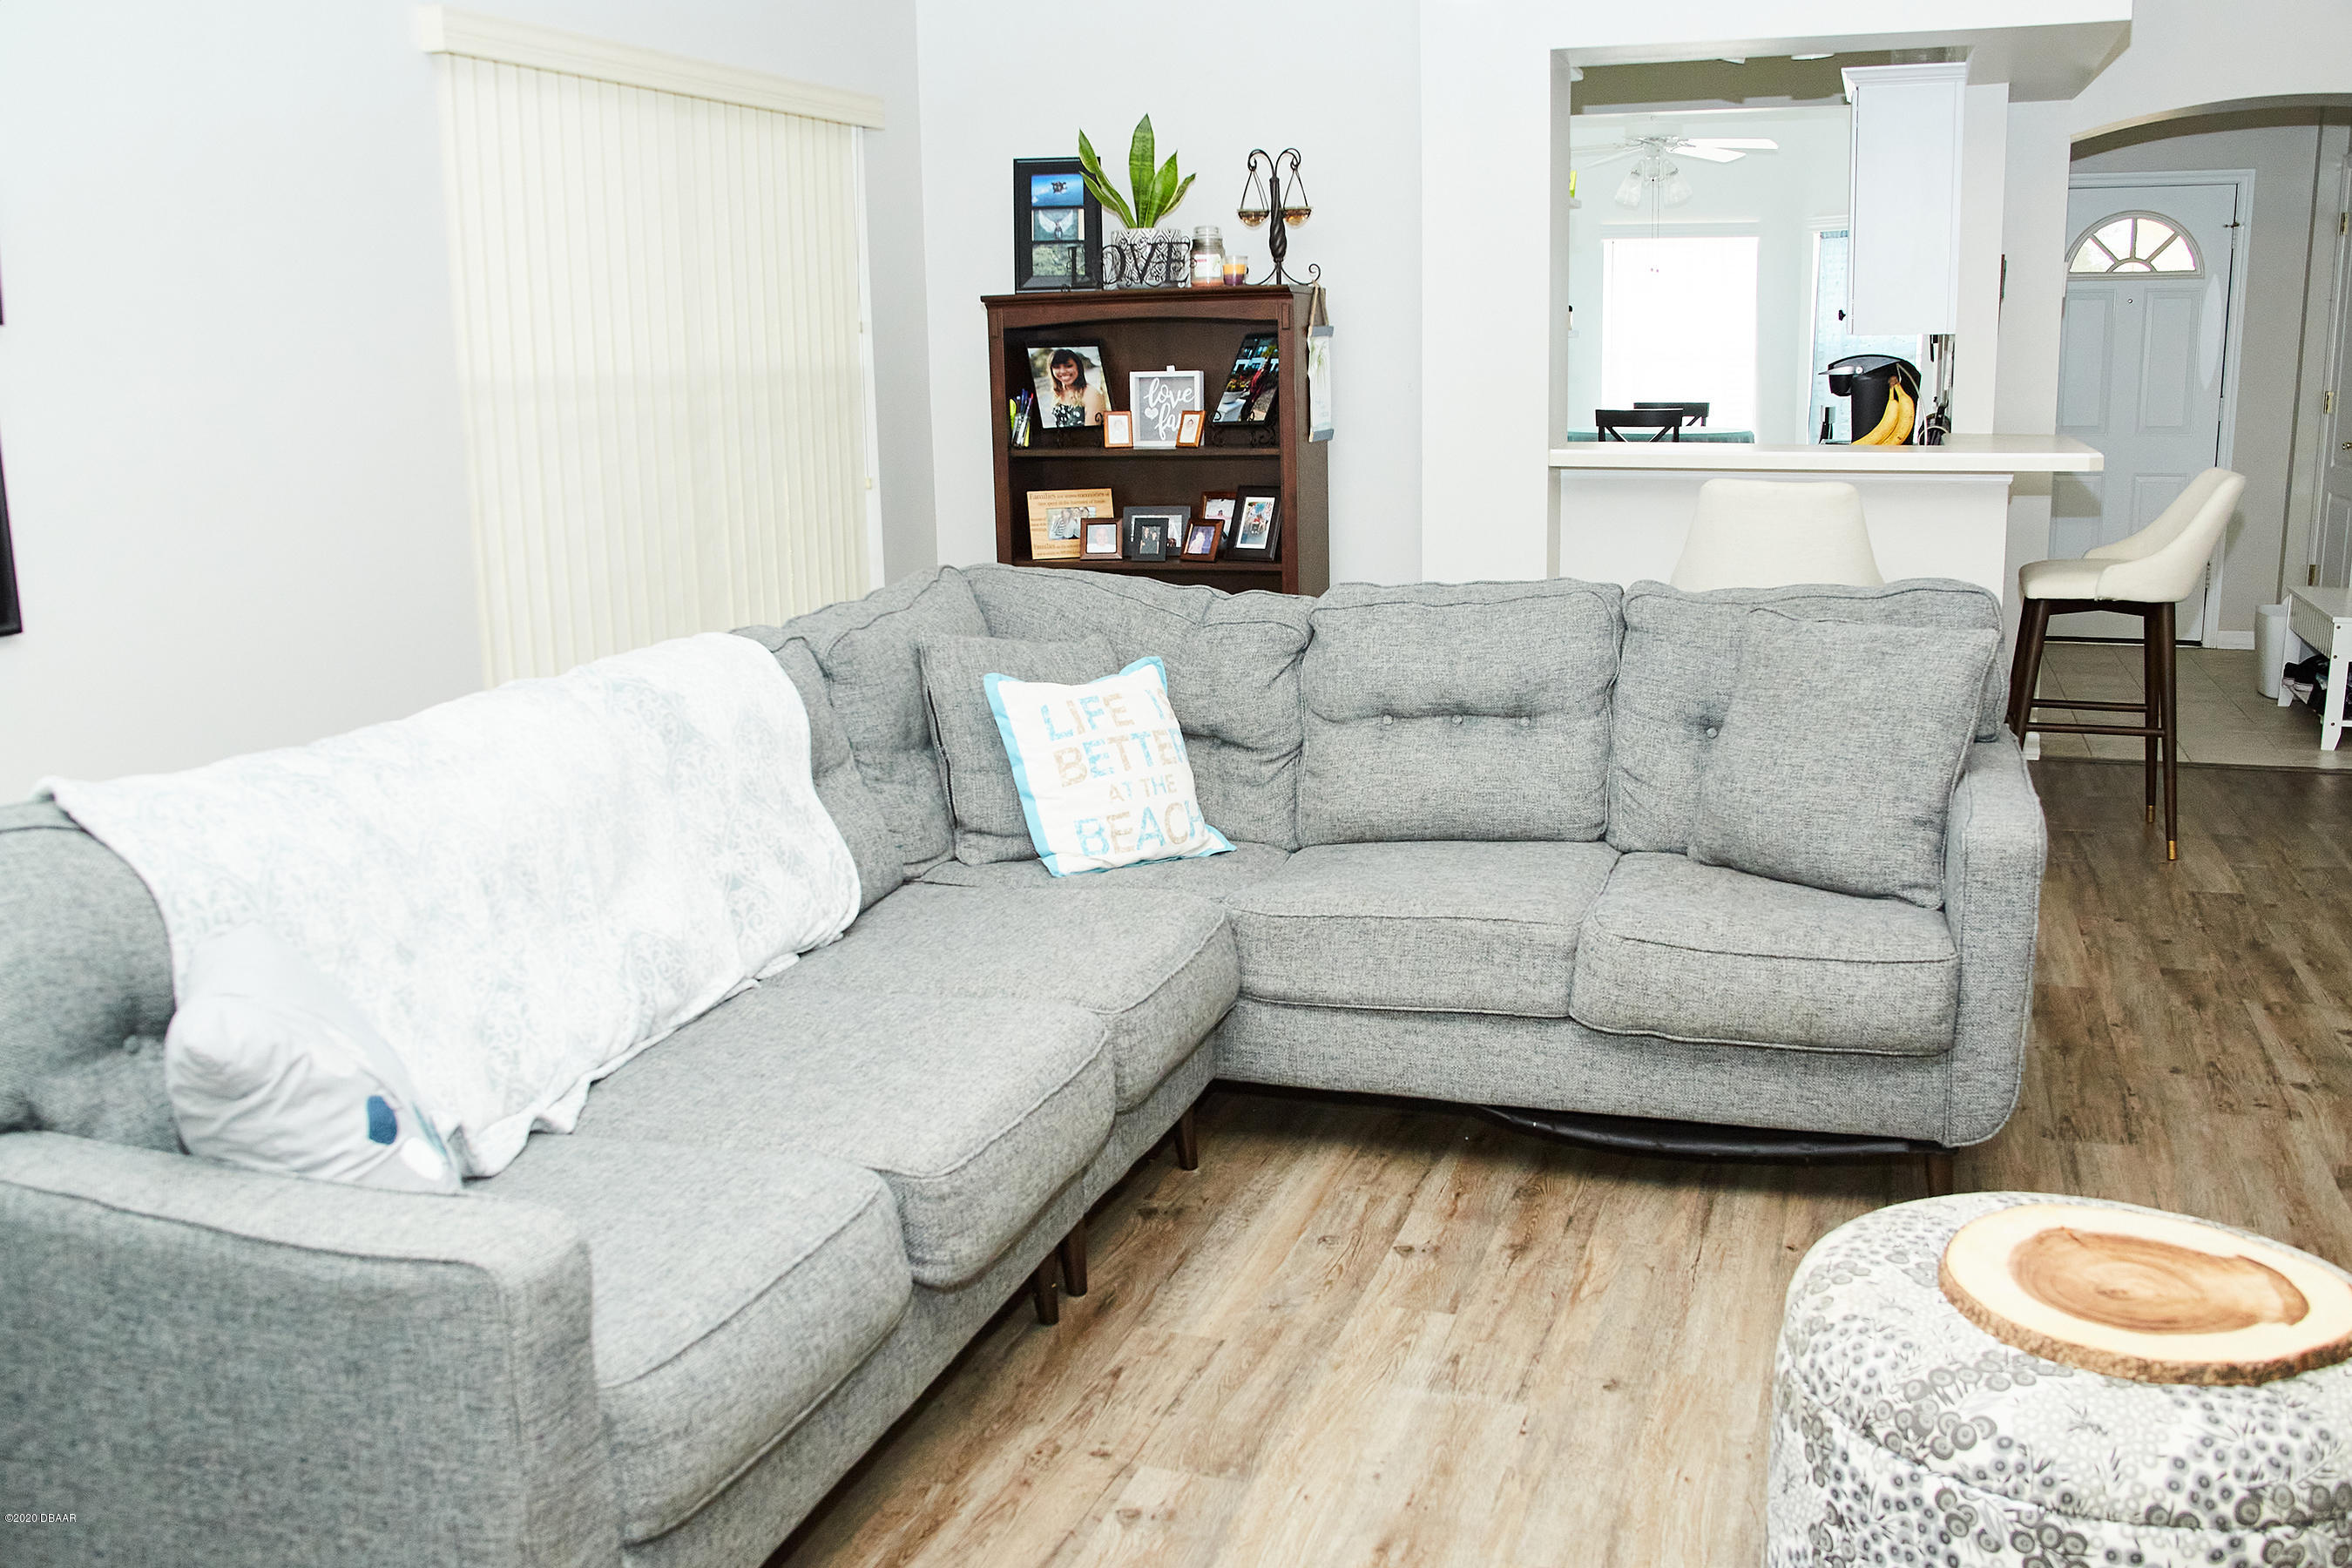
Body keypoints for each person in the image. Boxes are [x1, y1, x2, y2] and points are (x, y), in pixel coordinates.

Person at [1040, 348, 1109, 428]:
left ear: (1078, 367)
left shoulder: (1092, 395)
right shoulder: (1059, 391)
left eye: (1068, 366)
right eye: (1056, 367)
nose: (1062, 371)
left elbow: (1091, 434)